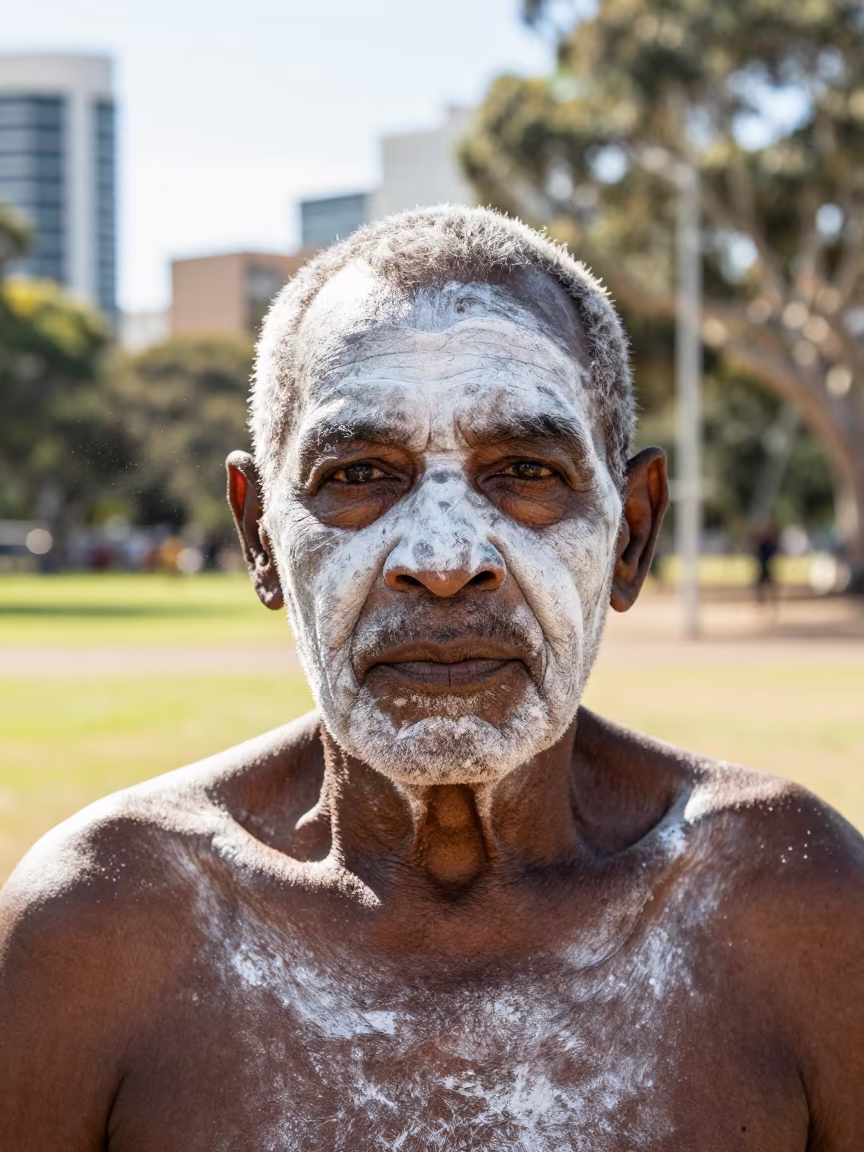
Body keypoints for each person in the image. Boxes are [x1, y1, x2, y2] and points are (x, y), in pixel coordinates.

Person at [1, 207, 862, 1150]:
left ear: (630, 535)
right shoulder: (96, 932)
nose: (444, 558)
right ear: (260, 539)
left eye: (525, 470)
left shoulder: (800, 912)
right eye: (361, 472)